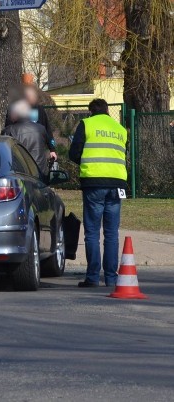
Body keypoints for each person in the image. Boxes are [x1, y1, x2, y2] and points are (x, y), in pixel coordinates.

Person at [69, 98, 128, 288]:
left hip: (94, 183)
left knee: (92, 232)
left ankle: (93, 277)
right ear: (108, 111)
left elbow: (74, 153)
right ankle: (111, 278)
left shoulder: (87, 124)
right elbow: (121, 154)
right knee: (111, 233)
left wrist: (87, 164)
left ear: (90, 111)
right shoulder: (119, 129)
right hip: (117, 183)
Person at [1, 100, 51, 174]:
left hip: (21, 173)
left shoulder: (8, 131)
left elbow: (3, 155)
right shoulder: (41, 128)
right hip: (40, 172)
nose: (10, 115)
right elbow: (48, 143)